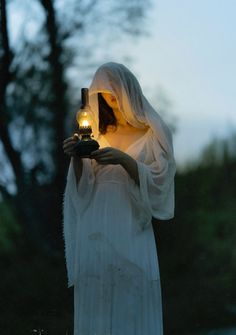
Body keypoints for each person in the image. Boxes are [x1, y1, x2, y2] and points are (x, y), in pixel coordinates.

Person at [62, 62, 176, 335]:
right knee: (98, 307)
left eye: (113, 96)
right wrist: (77, 159)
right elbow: (82, 191)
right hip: (95, 234)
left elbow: (161, 186)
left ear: (129, 93)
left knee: (131, 306)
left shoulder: (153, 135)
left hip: (130, 231)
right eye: (102, 97)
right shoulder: (96, 135)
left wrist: (125, 161)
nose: (109, 104)